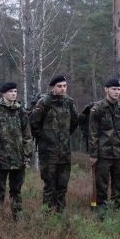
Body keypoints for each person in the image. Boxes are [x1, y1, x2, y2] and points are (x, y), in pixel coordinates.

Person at [29, 75, 79, 213]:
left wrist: (64, 136)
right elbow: (33, 123)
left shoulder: (69, 102)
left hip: (64, 152)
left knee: (62, 186)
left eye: (64, 86)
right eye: (59, 86)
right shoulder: (44, 102)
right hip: (48, 153)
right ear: (53, 87)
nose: (63, 89)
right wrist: (45, 138)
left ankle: (60, 214)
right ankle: (47, 215)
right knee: (49, 186)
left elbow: (75, 121)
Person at [0, 82, 32, 219]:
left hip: (18, 158)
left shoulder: (20, 110)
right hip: (0, 159)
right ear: (3, 93)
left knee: (16, 190)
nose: (13, 94)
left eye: (15, 91)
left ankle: (18, 218)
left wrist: (27, 155)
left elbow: (27, 134)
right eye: (10, 91)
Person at [88, 78, 120, 213]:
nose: (116, 92)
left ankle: (118, 214)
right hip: (102, 154)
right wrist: (93, 154)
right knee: (101, 186)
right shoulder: (97, 108)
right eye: (114, 89)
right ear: (106, 90)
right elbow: (93, 133)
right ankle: (101, 215)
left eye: (118, 89)